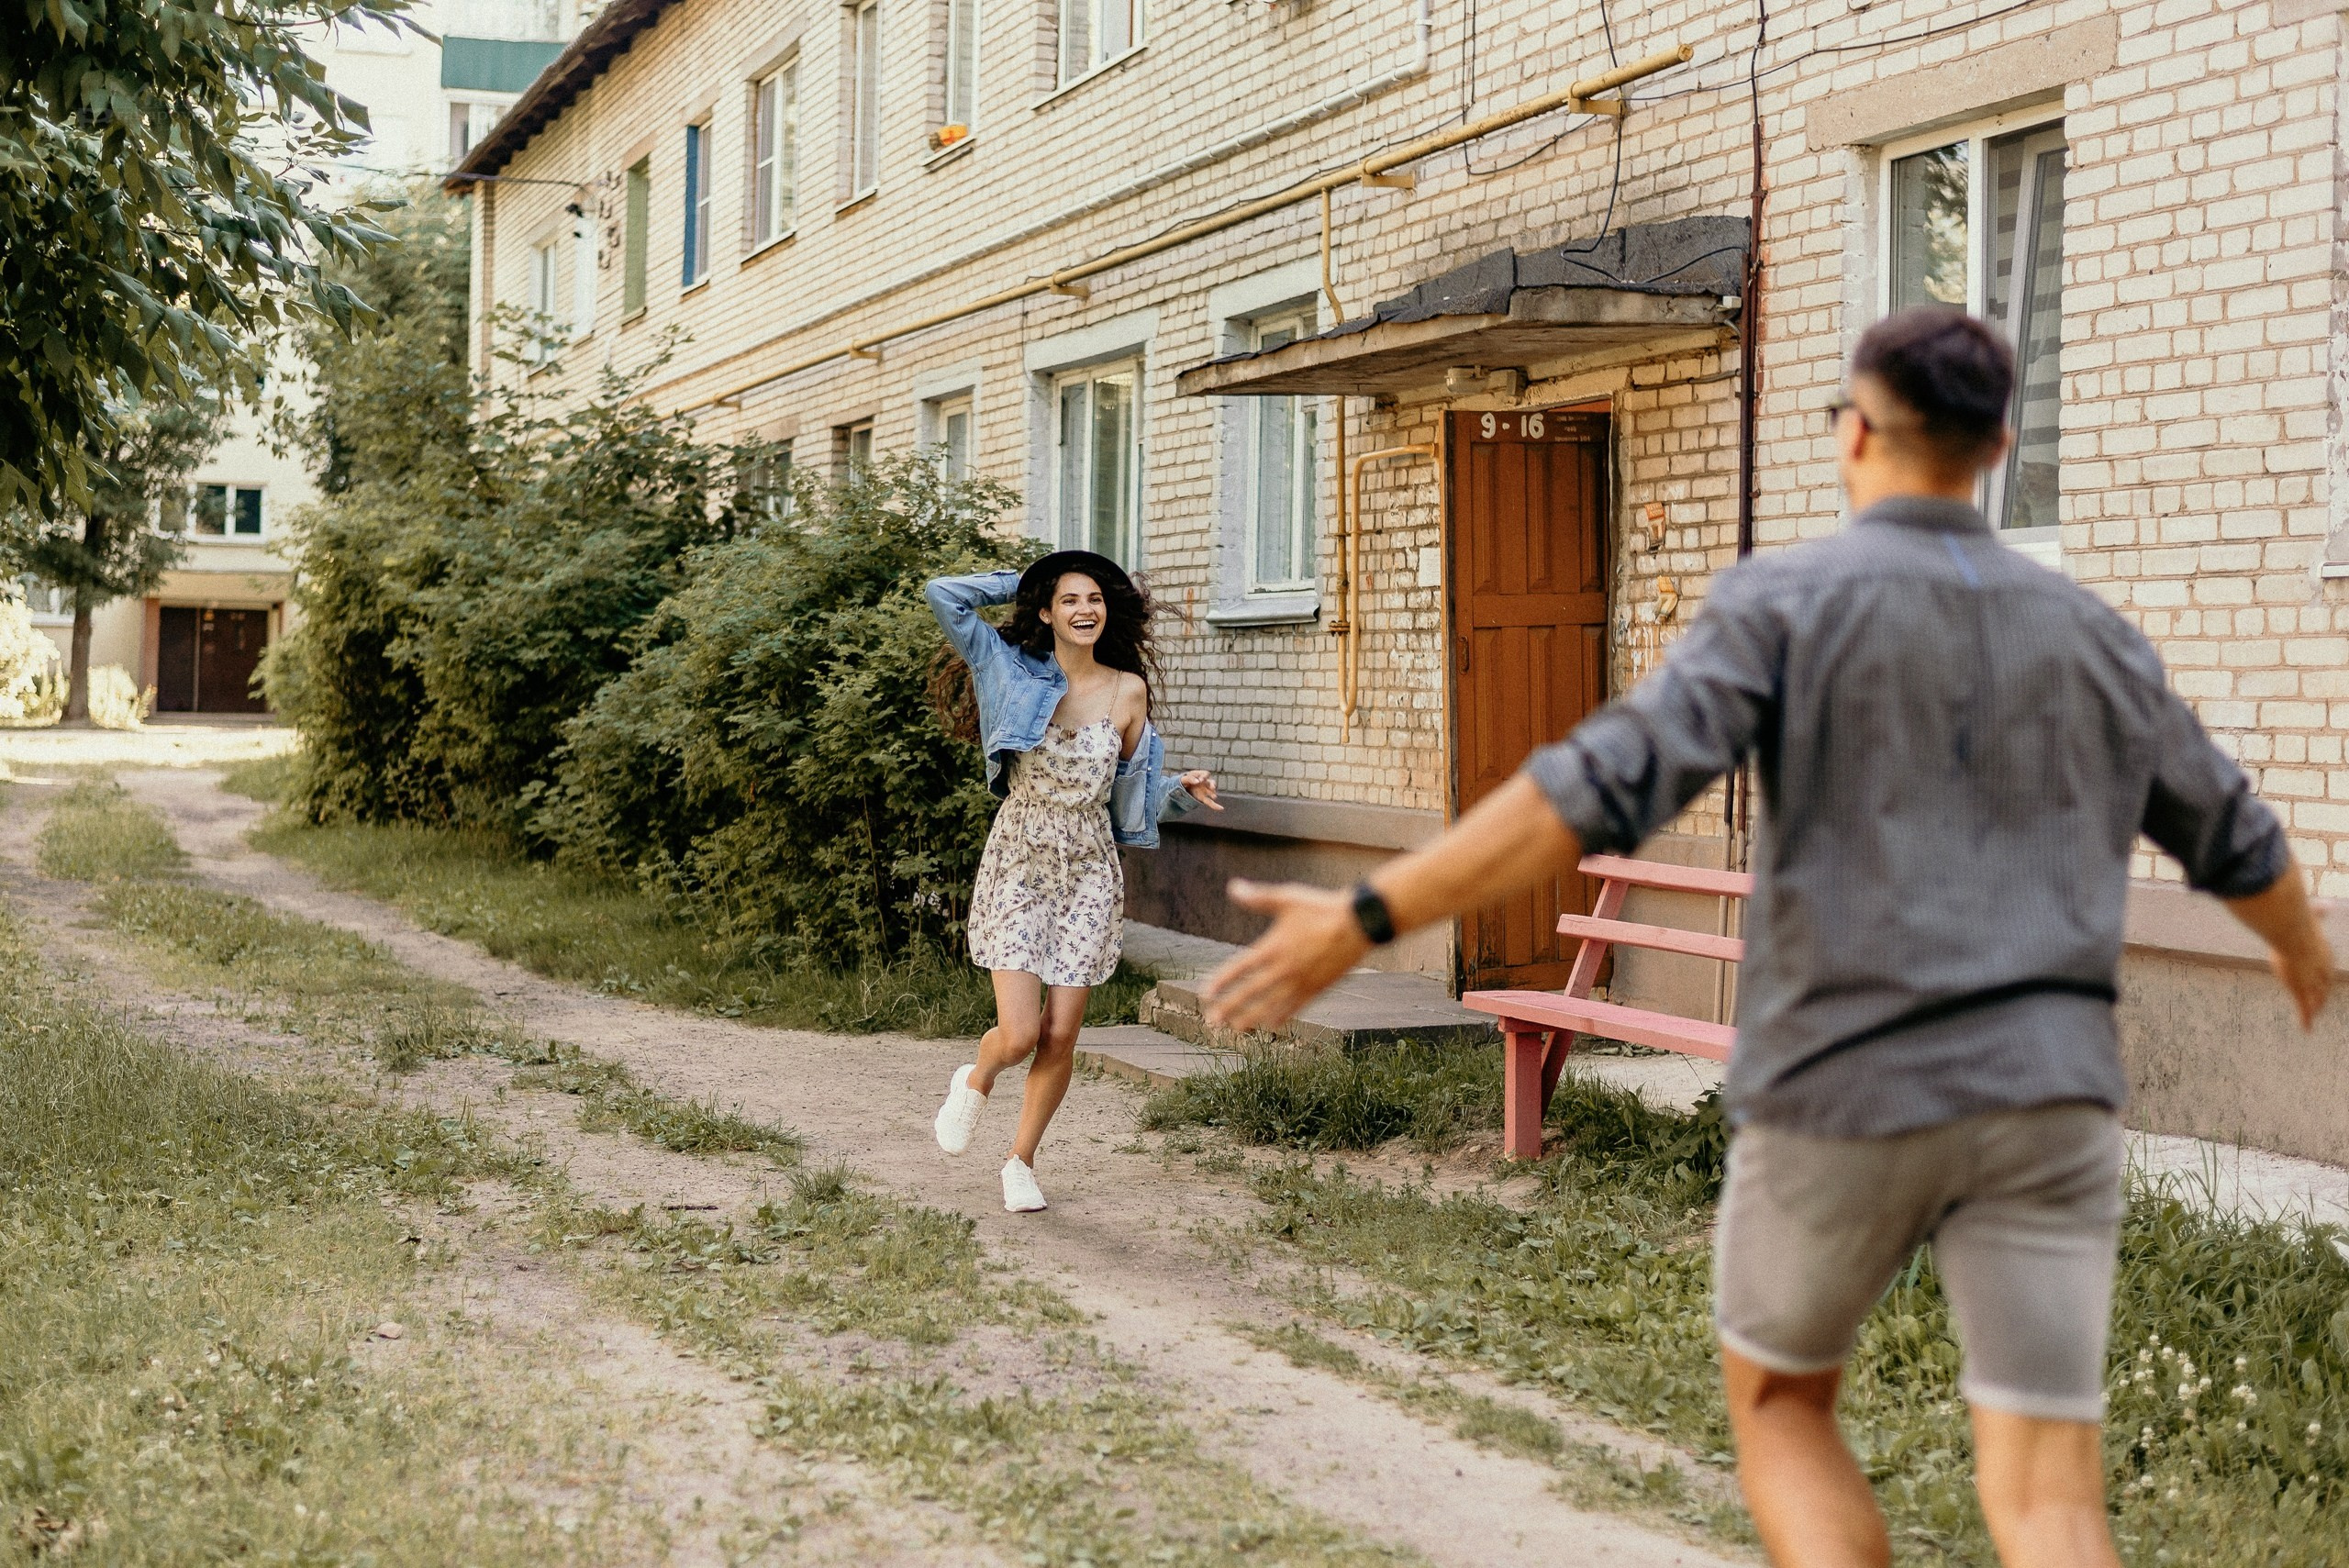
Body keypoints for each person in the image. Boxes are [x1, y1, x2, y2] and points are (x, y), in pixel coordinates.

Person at [1199, 305, 2335, 1568]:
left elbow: (1590, 785)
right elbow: (2241, 838)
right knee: (2054, 1499)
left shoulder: (1790, 602)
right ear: (2001, 442)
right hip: (2047, 1099)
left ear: (1854, 434)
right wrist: (2300, 955)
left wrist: (1368, 913)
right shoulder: (2095, 636)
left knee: (1788, 1403)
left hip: (1840, 1085)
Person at [925, 551, 1220, 1213]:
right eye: (1069, 599)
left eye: (1094, 598)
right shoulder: (1005, 667)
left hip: (1088, 869)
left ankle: (1020, 1161)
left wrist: (1178, 789)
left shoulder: (1127, 691)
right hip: (1020, 858)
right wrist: (1029, 577)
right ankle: (976, 1078)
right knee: (1021, 1032)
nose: (1085, 610)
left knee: (1061, 1035)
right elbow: (942, 593)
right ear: (1046, 612)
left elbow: (1128, 796)